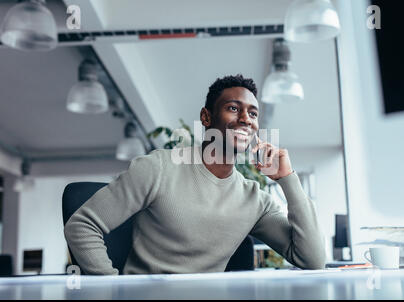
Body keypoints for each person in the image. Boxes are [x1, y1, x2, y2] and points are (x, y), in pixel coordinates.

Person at [64, 74, 326, 275]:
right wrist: (113, 291)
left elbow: (312, 260)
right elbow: (82, 226)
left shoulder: (255, 200)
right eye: (234, 108)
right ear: (206, 117)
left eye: (253, 113)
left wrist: (288, 179)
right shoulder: (159, 168)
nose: (246, 118)